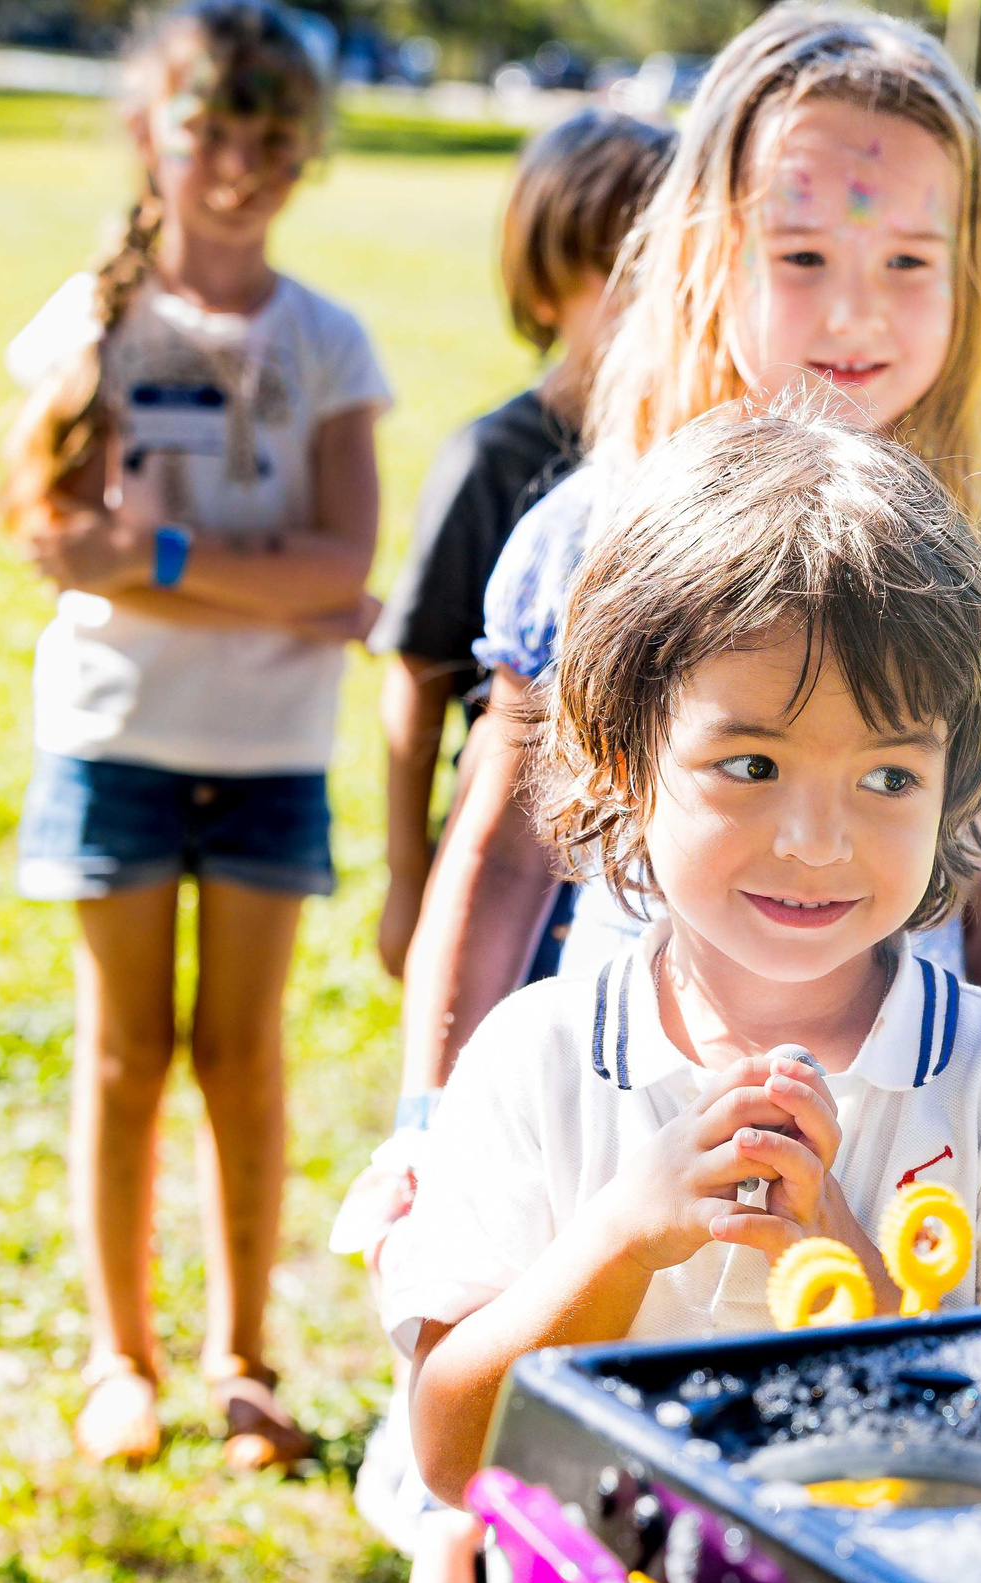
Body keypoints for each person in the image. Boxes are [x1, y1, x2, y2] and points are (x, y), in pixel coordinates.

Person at [339, 403, 981, 1557]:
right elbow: (454, 1452)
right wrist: (623, 1235)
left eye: (889, 777)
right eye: (750, 763)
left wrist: (842, 1277)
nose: (814, 838)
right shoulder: (535, 1058)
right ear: (619, 752)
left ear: (959, 787)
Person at [386, 1, 981, 1214]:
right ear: (711, 251)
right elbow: (502, 858)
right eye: (802, 254)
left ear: (967, 275)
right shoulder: (587, 538)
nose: (855, 311)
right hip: (621, 1122)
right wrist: (431, 1125)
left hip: (902, 1143)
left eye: (908, 260)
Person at [0, 0, 389, 1472]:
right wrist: (265, 579)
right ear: (151, 133)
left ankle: (243, 1355)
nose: (237, 165)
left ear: (305, 158)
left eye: (270, 138)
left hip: (273, 754)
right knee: (123, 1056)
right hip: (116, 737)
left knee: (242, 1054)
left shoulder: (330, 344)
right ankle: (121, 1356)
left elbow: (343, 570)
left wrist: (161, 564)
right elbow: (48, 533)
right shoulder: (88, 321)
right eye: (209, 129)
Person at [372, 109, 674, 984]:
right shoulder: (490, 460)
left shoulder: (711, 453)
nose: (655, 301)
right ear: (546, 290)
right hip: (517, 870)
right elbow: (418, 673)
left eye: (674, 267)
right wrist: (405, 881)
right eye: (619, 274)